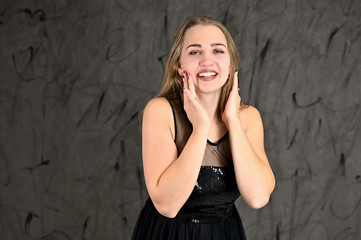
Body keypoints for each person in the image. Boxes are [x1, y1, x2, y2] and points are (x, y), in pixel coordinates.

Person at [131, 16, 275, 240]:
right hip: (168, 234)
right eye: (195, 52)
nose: (207, 60)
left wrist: (233, 122)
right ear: (180, 66)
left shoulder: (248, 117)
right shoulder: (160, 111)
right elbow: (167, 205)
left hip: (224, 234)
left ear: (230, 65)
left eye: (218, 51)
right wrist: (200, 129)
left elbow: (258, 197)